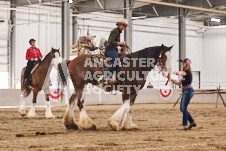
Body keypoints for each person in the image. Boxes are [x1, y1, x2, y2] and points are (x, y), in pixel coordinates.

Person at [170, 58, 196, 130]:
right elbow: (178, 83)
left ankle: (185, 125)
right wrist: (171, 79)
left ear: (187, 64)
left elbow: (179, 73)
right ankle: (192, 122)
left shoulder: (186, 72)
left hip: (188, 90)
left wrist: (172, 72)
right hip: (186, 90)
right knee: (182, 109)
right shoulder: (185, 75)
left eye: (183, 63)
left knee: (183, 108)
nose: (182, 64)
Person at [100, 18, 128, 84]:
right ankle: (106, 77)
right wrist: (120, 43)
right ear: (119, 24)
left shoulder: (118, 32)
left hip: (114, 49)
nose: (124, 27)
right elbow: (110, 42)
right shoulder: (115, 31)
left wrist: (122, 45)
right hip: (110, 49)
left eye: (125, 26)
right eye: (123, 25)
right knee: (117, 61)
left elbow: (115, 42)